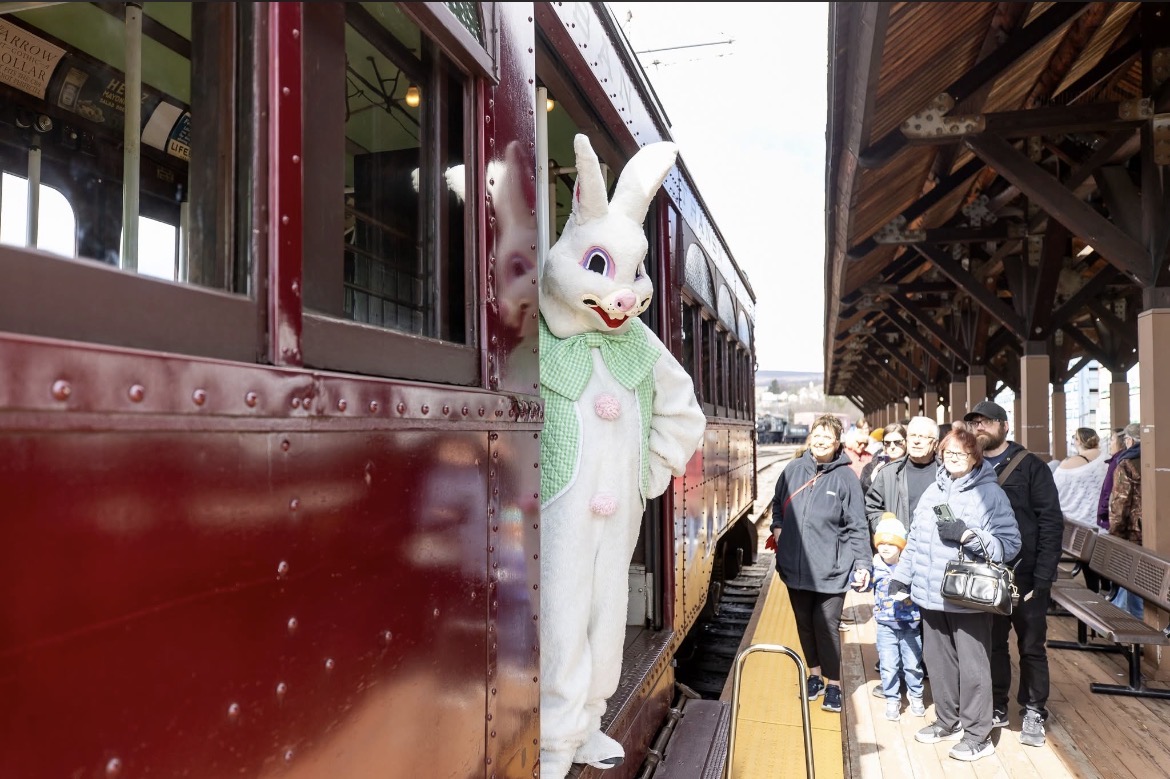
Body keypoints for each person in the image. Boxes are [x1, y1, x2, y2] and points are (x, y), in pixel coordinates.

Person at [888, 428, 1021, 762]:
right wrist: (900, 578)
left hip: (967, 596)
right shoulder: (934, 490)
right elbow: (916, 540)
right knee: (938, 661)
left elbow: (1009, 545)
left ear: (975, 457)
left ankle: (978, 734)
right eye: (948, 454)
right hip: (930, 594)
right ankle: (948, 720)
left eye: (960, 454)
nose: (953, 460)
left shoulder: (991, 494)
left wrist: (967, 535)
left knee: (974, 667)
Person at [964, 400, 1062, 748]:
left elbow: (1051, 522)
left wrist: (1044, 579)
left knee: (1032, 645)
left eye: (987, 422)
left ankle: (1034, 708)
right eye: (974, 423)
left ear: (1004, 426)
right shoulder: (967, 466)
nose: (979, 428)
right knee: (993, 645)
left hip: (1027, 575)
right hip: (985, 575)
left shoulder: (1032, 467)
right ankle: (997, 705)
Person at [771, 414, 873, 714]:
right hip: (794, 565)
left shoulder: (846, 477)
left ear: (838, 442)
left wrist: (863, 563)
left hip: (832, 568)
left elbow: (857, 524)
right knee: (804, 624)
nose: (820, 441)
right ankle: (814, 675)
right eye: (817, 435)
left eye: (827, 437)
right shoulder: (792, 469)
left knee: (826, 626)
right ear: (809, 437)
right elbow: (777, 504)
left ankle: (834, 684)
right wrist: (778, 528)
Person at [864, 513, 926, 721]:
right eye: (881, 543)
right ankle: (892, 698)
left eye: (891, 543)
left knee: (912, 663)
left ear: (901, 545)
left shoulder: (911, 567)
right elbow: (864, 586)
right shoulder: (875, 568)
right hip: (885, 625)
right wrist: (858, 579)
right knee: (888, 664)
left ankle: (916, 695)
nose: (885, 547)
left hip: (910, 623)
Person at [1052, 428, 1110, 592]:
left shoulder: (1067, 465)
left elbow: (1055, 492)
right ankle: (1106, 591)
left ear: (1077, 441)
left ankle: (1096, 593)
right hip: (1106, 526)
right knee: (1102, 561)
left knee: (1089, 560)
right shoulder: (1109, 460)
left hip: (1081, 527)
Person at [1108, 423, 1144, 619]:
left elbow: (1120, 503)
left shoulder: (1127, 463)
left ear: (1129, 441)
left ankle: (1137, 622)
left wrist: (1115, 533)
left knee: (1136, 579)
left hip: (1133, 531)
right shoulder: (1158, 457)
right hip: (1153, 530)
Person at [859, 423, 907, 494]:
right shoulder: (870, 468)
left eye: (898, 442)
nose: (892, 446)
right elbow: (862, 495)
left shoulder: (913, 466)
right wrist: (872, 479)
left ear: (906, 442)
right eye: (887, 443)